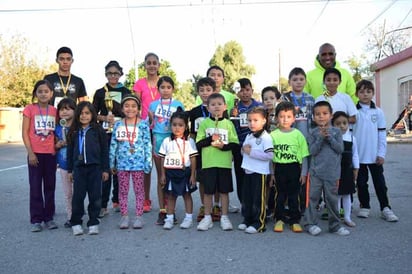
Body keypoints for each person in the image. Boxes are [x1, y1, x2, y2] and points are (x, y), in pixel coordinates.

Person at [352, 79, 398, 222]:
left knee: (380, 183)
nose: (365, 94)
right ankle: (365, 206)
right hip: (358, 156)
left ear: (373, 93)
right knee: (361, 183)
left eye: (368, 91)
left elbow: (381, 134)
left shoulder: (378, 112)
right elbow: (350, 134)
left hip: (374, 156)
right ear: (357, 94)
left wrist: (381, 154)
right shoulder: (353, 112)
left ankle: (386, 208)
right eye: (361, 91)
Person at [302, 101, 350, 236]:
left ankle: (335, 225)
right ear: (313, 117)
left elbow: (340, 149)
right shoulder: (312, 132)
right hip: (316, 173)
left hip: (332, 173)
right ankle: (310, 224)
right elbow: (312, 151)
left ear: (331, 115)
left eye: (324, 113)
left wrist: (329, 138)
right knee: (312, 199)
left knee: (332, 200)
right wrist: (320, 139)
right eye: (317, 114)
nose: (321, 117)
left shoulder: (336, 132)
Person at [196, 93, 239, 231]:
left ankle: (224, 216)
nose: (216, 107)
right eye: (213, 105)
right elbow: (198, 143)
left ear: (225, 107)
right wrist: (209, 140)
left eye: (219, 104)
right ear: (208, 108)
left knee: (224, 192)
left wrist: (224, 147)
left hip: (224, 163)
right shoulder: (204, 123)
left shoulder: (228, 124)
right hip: (208, 163)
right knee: (208, 192)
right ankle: (207, 217)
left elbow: (235, 143)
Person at [93, 60, 131, 217]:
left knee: (119, 166)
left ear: (121, 74)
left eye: (116, 73)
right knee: (106, 167)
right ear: (106, 74)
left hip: (121, 132)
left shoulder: (126, 91)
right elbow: (93, 113)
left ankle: (117, 200)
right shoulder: (100, 92)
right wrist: (104, 118)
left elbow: (130, 111)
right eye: (110, 73)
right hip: (105, 134)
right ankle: (103, 205)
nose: (113, 76)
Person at [109, 95, 152, 229]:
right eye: (127, 106)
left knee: (139, 190)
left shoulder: (143, 125)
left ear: (138, 108)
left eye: (133, 106)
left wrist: (148, 163)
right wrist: (112, 163)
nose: (130, 109)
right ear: (122, 109)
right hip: (122, 164)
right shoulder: (118, 124)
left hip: (138, 163)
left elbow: (147, 144)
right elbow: (113, 144)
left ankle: (139, 216)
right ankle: (124, 216)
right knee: (123, 191)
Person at [67, 102, 109, 236]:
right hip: (79, 169)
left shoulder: (98, 130)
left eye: (87, 113)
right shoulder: (74, 131)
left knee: (95, 197)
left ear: (92, 114)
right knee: (78, 197)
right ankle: (76, 222)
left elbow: (104, 151)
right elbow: (69, 152)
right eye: (81, 113)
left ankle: (93, 222)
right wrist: (69, 170)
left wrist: (105, 169)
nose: (84, 116)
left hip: (95, 168)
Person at [22, 80, 58, 232]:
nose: (43, 94)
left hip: (50, 154)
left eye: (46, 91)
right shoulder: (29, 109)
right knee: (35, 187)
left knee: (50, 187)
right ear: (35, 93)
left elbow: (57, 133)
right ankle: (36, 219)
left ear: (51, 94)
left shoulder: (54, 110)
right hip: (35, 154)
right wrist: (30, 153)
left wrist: (57, 147)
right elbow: (24, 132)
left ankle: (49, 217)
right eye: (40, 91)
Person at [148, 76, 184, 225]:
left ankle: (172, 210)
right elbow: (149, 124)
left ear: (173, 89)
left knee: (170, 176)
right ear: (158, 89)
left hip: (173, 140)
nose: (166, 90)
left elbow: (182, 123)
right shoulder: (153, 105)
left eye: (168, 87)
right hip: (158, 140)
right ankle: (162, 210)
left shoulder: (178, 104)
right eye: (162, 87)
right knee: (161, 177)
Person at [270, 102, 309, 233]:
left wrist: (303, 174)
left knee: (294, 196)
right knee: (279, 195)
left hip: (294, 168)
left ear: (294, 118)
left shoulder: (298, 135)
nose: (285, 119)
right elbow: (270, 158)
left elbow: (304, 156)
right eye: (281, 116)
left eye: (288, 116)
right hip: (279, 168)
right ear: (276, 118)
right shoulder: (273, 135)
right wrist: (272, 174)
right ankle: (279, 219)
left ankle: (294, 220)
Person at [281, 67, 315, 214]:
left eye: (301, 79)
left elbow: (313, 120)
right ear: (289, 82)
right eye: (295, 80)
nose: (298, 82)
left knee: (304, 172)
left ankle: (304, 204)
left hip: (306, 140)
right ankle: (289, 204)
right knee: (291, 172)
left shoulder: (310, 99)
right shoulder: (284, 98)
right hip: (290, 141)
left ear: (305, 81)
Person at [159, 109, 198, 230]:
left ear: (186, 127)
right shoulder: (167, 141)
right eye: (174, 125)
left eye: (180, 125)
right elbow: (162, 158)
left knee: (187, 195)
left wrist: (193, 175)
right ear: (170, 126)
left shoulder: (189, 141)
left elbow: (193, 159)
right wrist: (162, 174)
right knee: (171, 196)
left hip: (184, 172)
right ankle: (169, 218)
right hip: (171, 172)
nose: (177, 128)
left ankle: (188, 218)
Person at [133, 53, 162, 212]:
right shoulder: (139, 84)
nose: (151, 66)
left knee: (161, 165)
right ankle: (145, 199)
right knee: (146, 165)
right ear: (144, 65)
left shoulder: (163, 82)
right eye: (148, 63)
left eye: (154, 63)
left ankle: (164, 197)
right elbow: (136, 105)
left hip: (161, 129)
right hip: (144, 129)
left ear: (159, 65)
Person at [238, 106, 273, 234]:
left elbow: (270, 155)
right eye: (249, 120)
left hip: (259, 172)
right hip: (248, 170)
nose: (252, 123)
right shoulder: (249, 136)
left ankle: (259, 223)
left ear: (264, 121)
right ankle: (247, 219)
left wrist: (250, 152)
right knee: (247, 197)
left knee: (258, 198)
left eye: (255, 120)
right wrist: (243, 151)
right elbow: (244, 152)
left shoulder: (266, 137)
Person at [188, 77, 215, 222]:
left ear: (214, 91)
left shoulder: (219, 108)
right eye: (202, 90)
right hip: (200, 149)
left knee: (216, 177)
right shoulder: (194, 111)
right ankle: (205, 205)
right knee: (202, 179)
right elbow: (192, 132)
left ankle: (216, 205)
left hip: (216, 149)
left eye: (208, 90)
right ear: (198, 92)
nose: (205, 93)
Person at [231, 78, 262, 206]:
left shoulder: (259, 106)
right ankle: (244, 204)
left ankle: (257, 204)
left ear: (252, 91)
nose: (245, 93)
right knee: (241, 176)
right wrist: (232, 116)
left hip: (257, 148)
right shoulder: (235, 109)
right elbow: (233, 129)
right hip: (241, 148)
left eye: (247, 90)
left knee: (256, 177)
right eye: (241, 90)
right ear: (237, 92)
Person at [332, 111, 359, 227]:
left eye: (344, 123)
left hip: (347, 171)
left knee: (347, 195)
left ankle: (347, 217)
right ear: (333, 125)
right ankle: (336, 217)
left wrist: (356, 168)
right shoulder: (332, 138)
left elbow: (355, 155)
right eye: (338, 124)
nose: (342, 126)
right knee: (337, 195)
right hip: (335, 171)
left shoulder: (352, 138)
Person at [54, 98, 76, 228]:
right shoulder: (57, 127)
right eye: (62, 109)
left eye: (68, 109)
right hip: (63, 164)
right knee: (68, 193)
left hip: (78, 165)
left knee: (79, 192)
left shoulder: (79, 126)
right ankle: (70, 216)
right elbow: (54, 144)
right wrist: (58, 144)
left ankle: (78, 213)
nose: (65, 112)